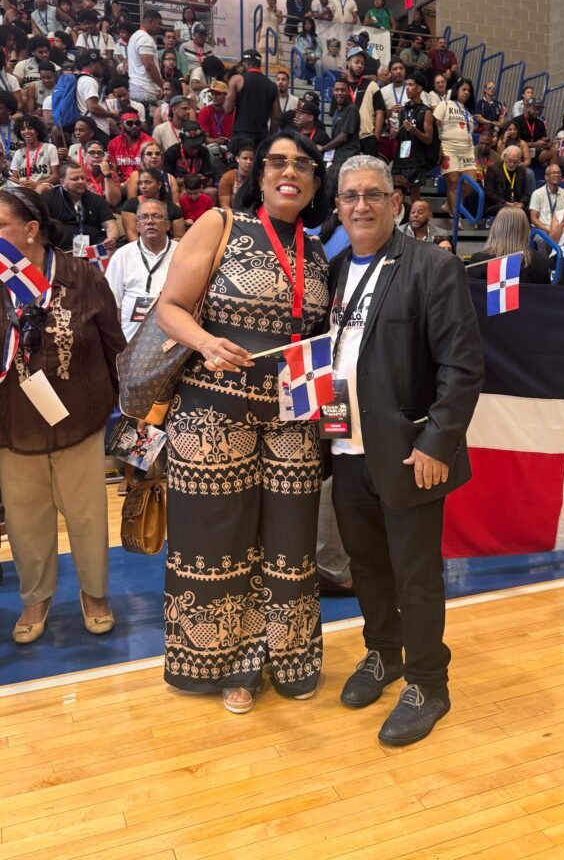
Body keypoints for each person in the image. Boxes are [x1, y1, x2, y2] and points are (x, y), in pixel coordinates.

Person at [156, 131, 330, 712]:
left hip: (292, 416)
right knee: (218, 538)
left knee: (290, 539)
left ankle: (288, 656)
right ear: (259, 174)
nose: (290, 172)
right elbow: (169, 307)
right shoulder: (220, 223)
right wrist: (206, 342)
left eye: (302, 164)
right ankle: (233, 665)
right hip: (212, 410)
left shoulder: (319, 250)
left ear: (315, 182)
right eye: (278, 162)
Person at [329, 155, 483, 746]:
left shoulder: (432, 266)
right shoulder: (333, 271)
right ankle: (383, 652)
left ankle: (428, 682)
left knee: (415, 574)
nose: (361, 205)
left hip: (410, 454)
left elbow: (461, 366)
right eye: (350, 196)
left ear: (395, 203)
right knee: (366, 565)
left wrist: (437, 442)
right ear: (337, 207)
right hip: (345, 449)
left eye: (373, 194)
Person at [0, 186, 125, 643]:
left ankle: (95, 593)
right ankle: (36, 598)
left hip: (79, 419)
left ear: (31, 229)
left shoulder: (82, 276)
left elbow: (114, 345)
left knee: (88, 515)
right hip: (13, 424)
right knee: (24, 518)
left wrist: (130, 410)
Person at [106, 199, 177, 340]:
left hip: (173, 337)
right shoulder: (122, 255)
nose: (150, 221)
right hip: (131, 339)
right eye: (143, 217)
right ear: (137, 226)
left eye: (156, 216)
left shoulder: (181, 253)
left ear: (168, 225)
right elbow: (112, 304)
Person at [41, 160, 118, 252]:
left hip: (94, 246)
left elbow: (109, 223)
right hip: (61, 250)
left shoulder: (96, 199)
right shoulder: (48, 198)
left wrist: (112, 238)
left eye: (83, 178)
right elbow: (42, 227)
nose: (81, 181)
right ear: (62, 182)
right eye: (75, 179)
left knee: (111, 250)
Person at [467, 205, 551, 283]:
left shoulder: (478, 261)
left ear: (495, 228)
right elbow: (545, 293)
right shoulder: (540, 261)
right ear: (525, 230)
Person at [433, 79, 478, 220]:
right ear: (456, 90)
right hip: (448, 148)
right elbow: (435, 125)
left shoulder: (469, 112)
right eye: (463, 89)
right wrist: (438, 146)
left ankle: (450, 203)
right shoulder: (445, 104)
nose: (466, 93)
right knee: (453, 183)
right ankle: (455, 218)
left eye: (469, 90)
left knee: (471, 183)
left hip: (467, 150)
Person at [392, 72, 434, 203]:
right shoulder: (403, 110)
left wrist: (413, 130)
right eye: (406, 85)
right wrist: (395, 133)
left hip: (416, 159)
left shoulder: (426, 111)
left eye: (410, 85)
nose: (407, 88)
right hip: (401, 157)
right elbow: (401, 134)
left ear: (419, 88)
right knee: (397, 193)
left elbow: (429, 139)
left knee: (414, 194)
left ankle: (420, 215)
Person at [225, 49, 279, 150]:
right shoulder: (273, 86)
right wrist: (270, 138)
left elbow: (227, 109)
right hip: (262, 135)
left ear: (246, 63)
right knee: (259, 160)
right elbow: (276, 117)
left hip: (242, 133)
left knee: (240, 159)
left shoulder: (237, 79)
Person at [122, 167, 186, 241]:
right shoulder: (130, 205)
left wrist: (165, 246)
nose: (143, 186)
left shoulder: (173, 209)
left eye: (148, 182)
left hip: (166, 244)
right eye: (140, 183)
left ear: (159, 185)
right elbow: (132, 234)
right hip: (138, 245)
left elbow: (179, 237)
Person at [346, 47, 385, 157]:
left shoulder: (372, 85)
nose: (360, 66)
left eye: (362, 63)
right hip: (346, 138)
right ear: (349, 63)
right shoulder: (341, 86)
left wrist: (376, 137)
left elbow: (380, 112)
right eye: (357, 62)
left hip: (367, 137)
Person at [324, 79, 360, 196]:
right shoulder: (337, 111)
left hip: (347, 158)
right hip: (337, 157)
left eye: (343, 90)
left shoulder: (351, 109)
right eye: (337, 90)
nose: (339, 93)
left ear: (348, 92)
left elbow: (343, 137)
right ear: (333, 92)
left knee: (343, 191)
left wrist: (323, 148)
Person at [482, 145, 536, 216]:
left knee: (529, 213)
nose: (512, 164)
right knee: (509, 211)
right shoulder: (493, 170)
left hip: (516, 206)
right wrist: (505, 203)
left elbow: (526, 193)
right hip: (499, 205)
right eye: (510, 160)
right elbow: (489, 194)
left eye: (516, 161)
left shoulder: (521, 171)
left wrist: (522, 203)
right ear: (504, 157)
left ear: (519, 160)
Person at [9, 115, 59, 189]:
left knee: (40, 188)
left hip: (44, 186)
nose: (26, 131)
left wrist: (36, 184)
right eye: (23, 129)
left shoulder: (50, 148)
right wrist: (17, 181)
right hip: (24, 188)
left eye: (30, 128)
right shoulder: (18, 153)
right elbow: (14, 178)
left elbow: (56, 177)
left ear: (37, 131)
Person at [163, 120, 215, 192]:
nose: (195, 150)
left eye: (198, 145)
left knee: (212, 191)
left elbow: (209, 178)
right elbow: (167, 180)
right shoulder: (171, 153)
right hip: (179, 188)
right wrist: (185, 181)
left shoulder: (204, 151)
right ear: (182, 142)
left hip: (199, 187)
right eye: (191, 146)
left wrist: (204, 180)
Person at [127, 8, 163, 109]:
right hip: (145, 88)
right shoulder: (145, 38)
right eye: (158, 24)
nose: (160, 27)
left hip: (136, 86)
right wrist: (162, 85)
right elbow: (149, 66)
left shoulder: (135, 36)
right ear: (151, 21)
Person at [107, 110, 154, 183]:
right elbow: (113, 170)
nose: (134, 126)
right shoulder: (113, 143)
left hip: (143, 182)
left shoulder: (149, 142)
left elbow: (153, 170)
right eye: (130, 123)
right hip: (121, 183)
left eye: (137, 123)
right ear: (121, 124)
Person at [76, 140, 121, 207]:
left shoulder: (111, 174)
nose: (96, 156)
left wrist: (106, 175)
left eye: (99, 153)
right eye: (92, 152)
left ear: (104, 155)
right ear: (84, 154)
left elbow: (114, 202)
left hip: (106, 209)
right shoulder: (79, 172)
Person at [529, 162, 564, 232]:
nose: (557, 175)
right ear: (546, 177)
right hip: (542, 230)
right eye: (554, 173)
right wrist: (548, 230)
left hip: (559, 230)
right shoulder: (537, 193)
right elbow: (534, 218)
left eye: (558, 173)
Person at [516, 98, 552, 166]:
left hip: (536, 153)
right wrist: (534, 144)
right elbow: (516, 143)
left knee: (554, 151)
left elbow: (542, 139)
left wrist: (546, 143)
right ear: (528, 107)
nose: (537, 112)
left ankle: (552, 171)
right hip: (521, 152)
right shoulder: (517, 122)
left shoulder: (541, 123)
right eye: (535, 108)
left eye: (539, 109)